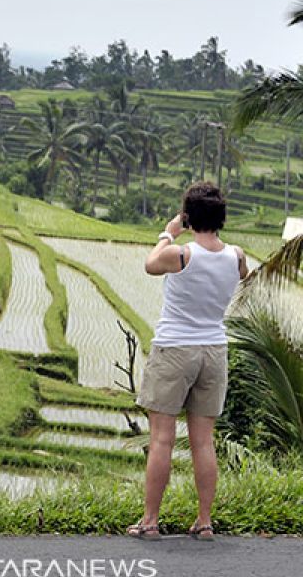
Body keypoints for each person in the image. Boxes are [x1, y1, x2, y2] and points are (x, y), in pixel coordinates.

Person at [127, 182, 248, 541]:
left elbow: (151, 264)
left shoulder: (180, 255)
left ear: (190, 217)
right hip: (214, 351)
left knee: (162, 439)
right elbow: (243, 277)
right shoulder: (236, 256)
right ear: (222, 218)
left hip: (175, 349)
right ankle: (204, 520)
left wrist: (168, 232)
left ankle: (150, 521)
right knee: (204, 442)